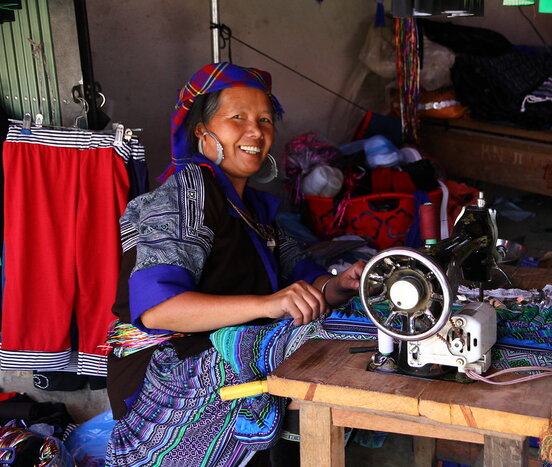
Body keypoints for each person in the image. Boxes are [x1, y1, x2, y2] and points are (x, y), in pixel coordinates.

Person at [105, 62, 365, 466]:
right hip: (164, 376)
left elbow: (298, 279)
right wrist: (269, 305)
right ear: (201, 132)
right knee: (321, 345)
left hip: (221, 351)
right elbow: (159, 310)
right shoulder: (185, 195)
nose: (256, 131)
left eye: (264, 119)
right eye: (237, 118)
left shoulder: (254, 209)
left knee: (356, 326)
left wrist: (338, 285)